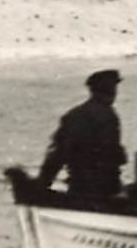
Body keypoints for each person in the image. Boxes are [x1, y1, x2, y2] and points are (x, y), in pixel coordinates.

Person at [37, 69, 126, 198]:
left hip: (78, 183)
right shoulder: (108, 116)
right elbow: (109, 154)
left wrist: (43, 184)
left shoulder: (74, 115)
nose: (114, 92)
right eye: (112, 88)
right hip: (104, 187)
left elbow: (57, 154)